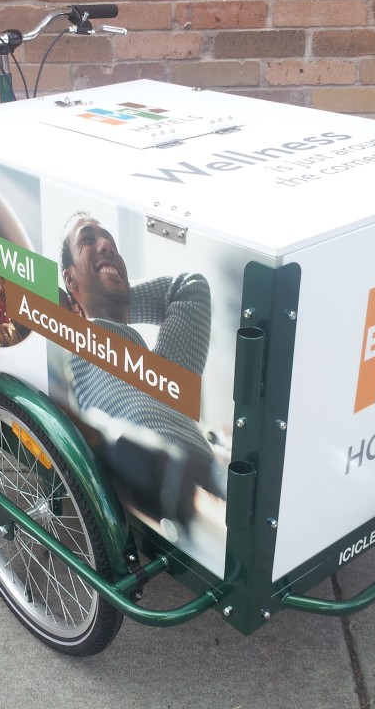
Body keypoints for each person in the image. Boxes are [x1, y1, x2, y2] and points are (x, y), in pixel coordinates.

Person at [59, 212, 224, 528]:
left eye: (110, 240)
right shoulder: (75, 343)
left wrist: (116, 295)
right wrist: (88, 300)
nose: (106, 244)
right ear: (69, 280)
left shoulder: (163, 374)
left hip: (210, 487)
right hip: (164, 495)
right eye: (88, 239)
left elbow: (190, 288)